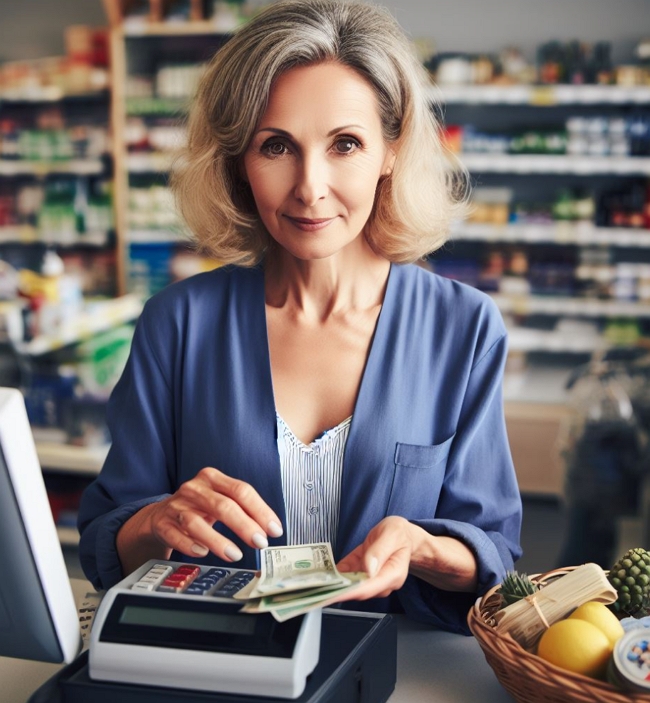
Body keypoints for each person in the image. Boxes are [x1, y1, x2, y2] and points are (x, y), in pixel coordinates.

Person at [78, 0, 522, 634]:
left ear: (390, 151)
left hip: (396, 674)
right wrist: (152, 523)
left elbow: (497, 557)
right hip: (219, 670)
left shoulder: (464, 329)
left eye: (345, 144)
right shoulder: (176, 324)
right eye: (277, 146)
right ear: (238, 161)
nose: (310, 186)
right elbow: (106, 538)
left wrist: (421, 548)